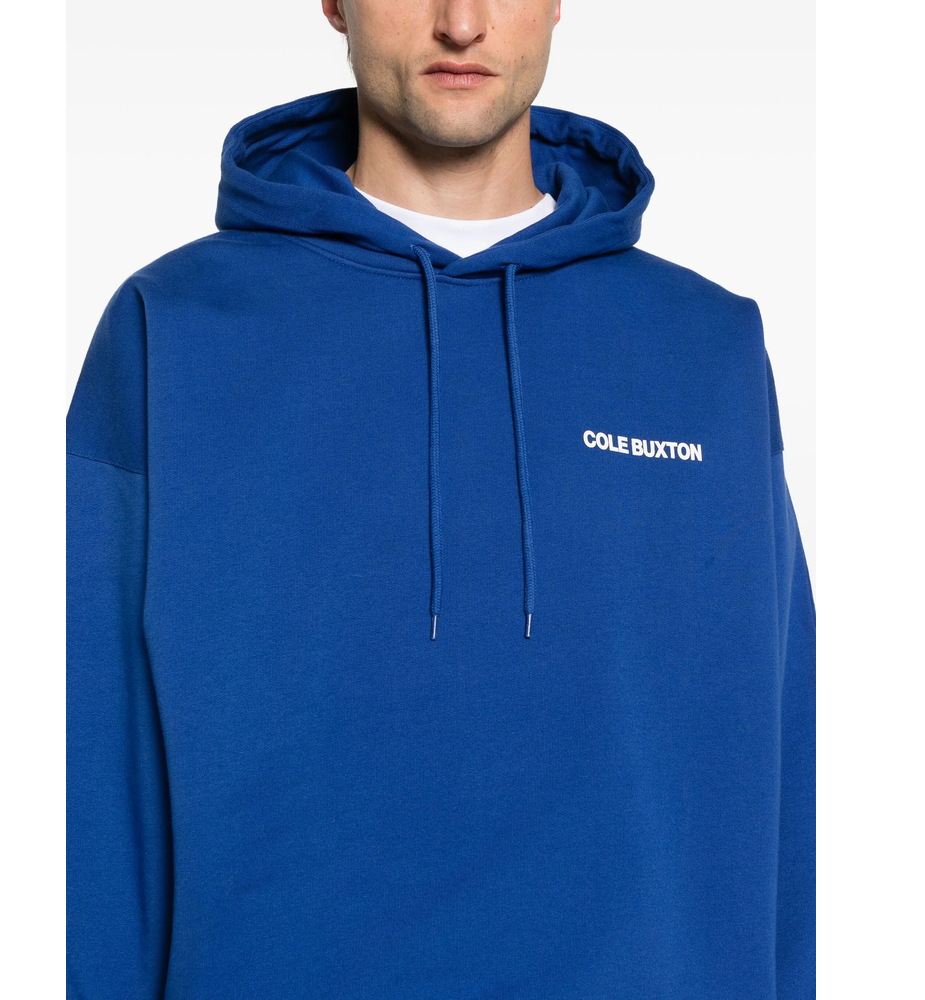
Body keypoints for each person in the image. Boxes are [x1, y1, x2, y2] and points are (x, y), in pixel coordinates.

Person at [66, 1, 816, 997]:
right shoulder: (176, 328)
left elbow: (780, 772)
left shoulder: (705, 347)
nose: (461, 23)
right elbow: (92, 778)